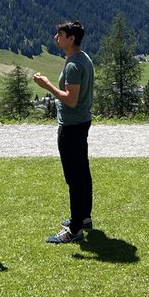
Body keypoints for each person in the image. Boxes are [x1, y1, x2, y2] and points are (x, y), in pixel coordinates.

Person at [33, 20, 95, 244]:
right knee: (82, 172)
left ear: (71, 39)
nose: (55, 38)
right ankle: (84, 218)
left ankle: (75, 229)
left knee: (74, 177)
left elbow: (71, 100)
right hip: (82, 122)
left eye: (59, 34)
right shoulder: (83, 58)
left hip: (71, 126)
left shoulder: (73, 65)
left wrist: (47, 85)